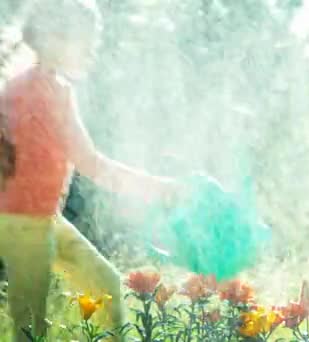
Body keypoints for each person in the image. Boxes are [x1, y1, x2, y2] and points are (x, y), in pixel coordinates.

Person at [0, 0, 181, 341]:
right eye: (85, 38)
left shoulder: (38, 86)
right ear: (53, 38)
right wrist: (160, 189)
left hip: (44, 218)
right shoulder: (36, 91)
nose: (92, 47)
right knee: (30, 323)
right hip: (22, 223)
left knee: (106, 287)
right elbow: (92, 164)